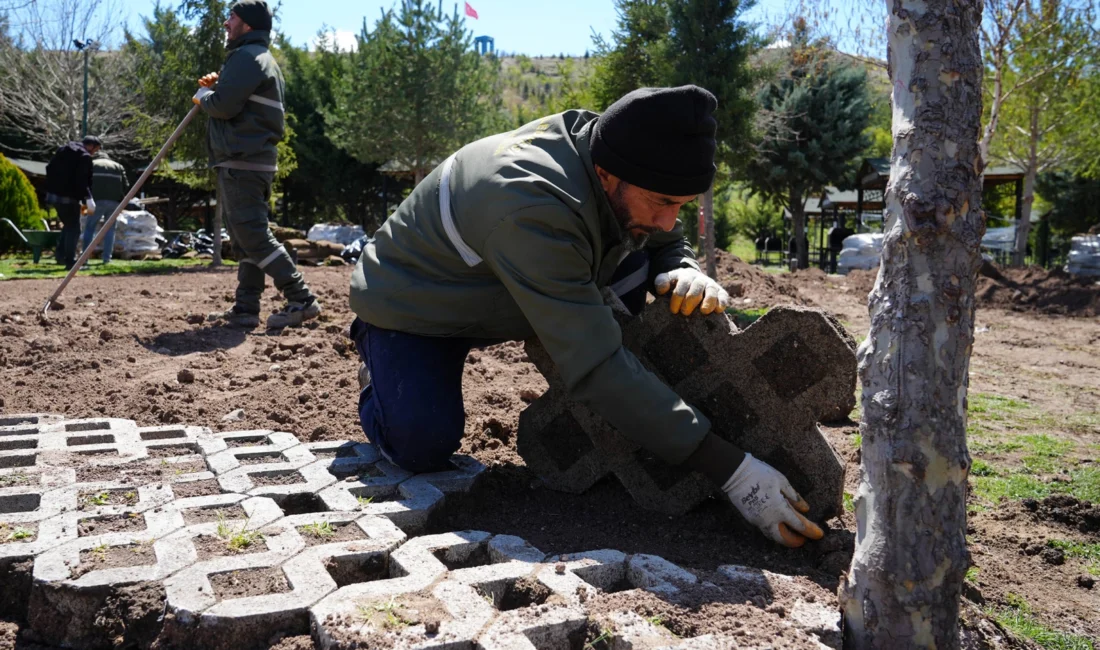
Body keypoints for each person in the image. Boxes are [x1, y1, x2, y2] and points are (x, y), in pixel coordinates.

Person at [348, 86, 825, 548]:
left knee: (635, 262)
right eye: (662, 204)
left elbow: (662, 236)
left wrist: (681, 266)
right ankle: (379, 368)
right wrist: (732, 470)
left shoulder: (620, 154)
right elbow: (596, 365)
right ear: (605, 174)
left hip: (512, 282)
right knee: (421, 444)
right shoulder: (530, 203)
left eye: (678, 206)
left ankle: (647, 409)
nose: (667, 219)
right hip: (415, 301)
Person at [193, 0, 321, 330]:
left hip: (244, 162)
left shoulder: (247, 58)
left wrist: (204, 96)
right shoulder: (254, 59)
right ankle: (246, 308)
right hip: (247, 161)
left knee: (252, 234)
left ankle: (302, 299)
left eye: (231, 17)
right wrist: (216, 84)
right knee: (244, 236)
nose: (226, 22)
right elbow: (234, 96)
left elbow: (223, 105)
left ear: (247, 25)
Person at [45, 135, 98, 269]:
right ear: (91, 146)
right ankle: (71, 262)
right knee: (74, 228)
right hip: (68, 197)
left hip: (53, 195)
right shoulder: (84, 157)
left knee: (68, 225)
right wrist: (88, 197)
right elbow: (82, 180)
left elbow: (49, 168)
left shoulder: (63, 150)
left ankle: (60, 256)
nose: (94, 153)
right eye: (95, 149)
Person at [81, 147, 128, 264]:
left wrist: (84, 201)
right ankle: (107, 258)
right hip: (114, 202)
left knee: (89, 228)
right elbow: (126, 185)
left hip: (94, 202)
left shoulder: (91, 164)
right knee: (110, 230)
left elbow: (83, 183)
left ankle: (85, 259)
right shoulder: (118, 166)